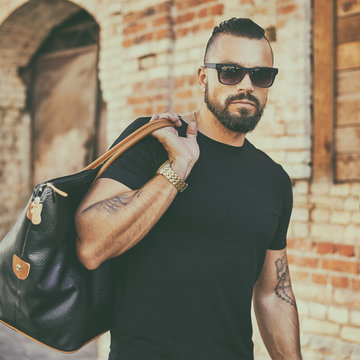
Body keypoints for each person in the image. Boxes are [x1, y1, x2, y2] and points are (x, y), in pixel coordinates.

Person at [75, 17, 302, 360]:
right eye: (230, 71)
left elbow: (273, 293)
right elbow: (92, 245)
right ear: (203, 77)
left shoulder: (274, 179)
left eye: (261, 75)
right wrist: (176, 168)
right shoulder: (155, 141)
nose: (246, 85)